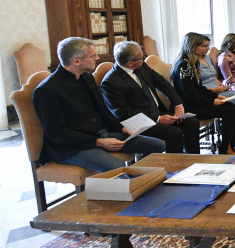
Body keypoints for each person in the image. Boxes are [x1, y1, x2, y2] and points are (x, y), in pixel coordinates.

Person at [33, 37, 165, 172]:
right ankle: (132, 186)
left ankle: (145, 179)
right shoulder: (47, 90)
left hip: (100, 135)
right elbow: (57, 134)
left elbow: (103, 110)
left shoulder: (87, 77)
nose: (97, 57)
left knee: (157, 145)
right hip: (71, 147)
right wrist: (99, 142)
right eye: (93, 55)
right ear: (76, 61)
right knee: (117, 166)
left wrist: (122, 128)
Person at [101, 41, 200, 154]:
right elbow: (122, 113)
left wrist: (178, 104)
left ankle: (193, 159)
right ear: (129, 63)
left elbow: (162, 83)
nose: (143, 59)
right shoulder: (110, 82)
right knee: (174, 132)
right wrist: (157, 119)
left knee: (191, 122)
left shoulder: (141, 66)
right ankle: (174, 167)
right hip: (139, 122)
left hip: (157, 113)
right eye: (141, 58)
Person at [171, 33, 235, 155]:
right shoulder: (184, 65)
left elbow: (199, 88)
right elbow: (189, 94)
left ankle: (228, 146)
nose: (207, 49)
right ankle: (226, 148)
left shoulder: (191, 62)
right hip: (188, 107)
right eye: (203, 46)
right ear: (192, 46)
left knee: (231, 107)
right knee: (229, 110)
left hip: (196, 102)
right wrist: (211, 101)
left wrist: (215, 96)